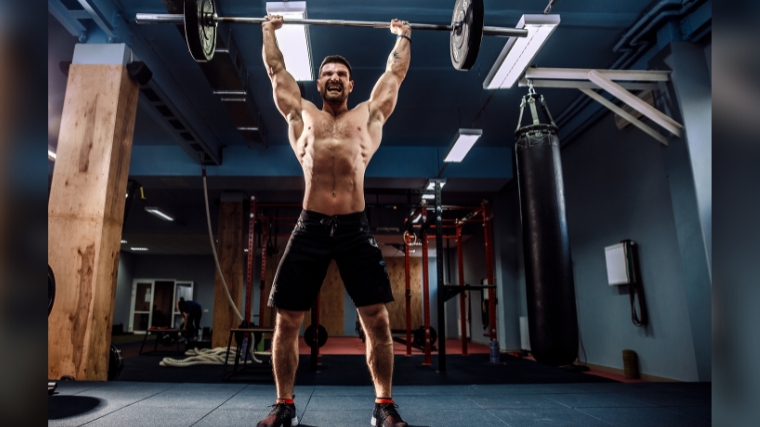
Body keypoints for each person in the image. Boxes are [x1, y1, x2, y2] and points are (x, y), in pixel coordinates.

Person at [257, 14, 412, 427]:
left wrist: (403, 37)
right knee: (287, 320)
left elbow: (394, 74)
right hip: (309, 228)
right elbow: (276, 71)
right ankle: (284, 405)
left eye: (341, 74)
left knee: (376, 320)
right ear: (319, 81)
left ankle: (384, 405)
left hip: (354, 228)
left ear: (351, 84)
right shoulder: (302, 114)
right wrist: (268, 33)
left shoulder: (367, 116)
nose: (334, 78)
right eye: (327, 73)